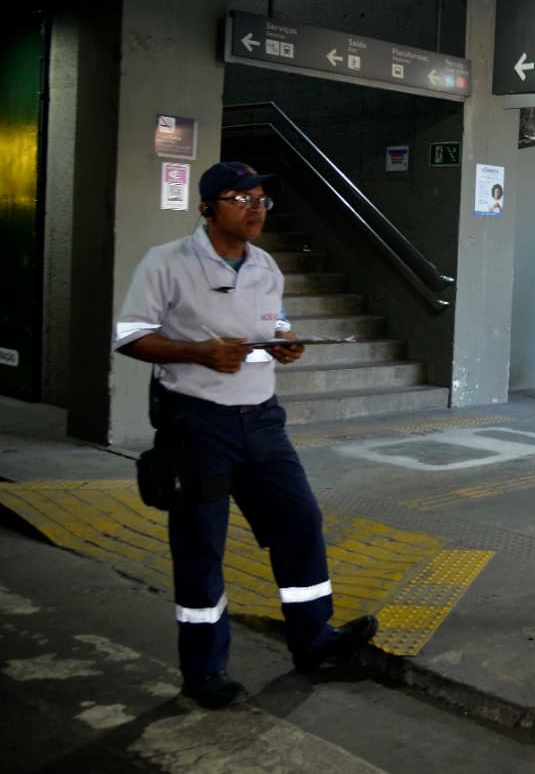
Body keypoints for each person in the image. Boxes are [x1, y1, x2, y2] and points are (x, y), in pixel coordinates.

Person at [112, 162, 379, 708]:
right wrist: (198, 351)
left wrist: (284, 340)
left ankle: (314, 640)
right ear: (208, 207)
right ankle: (204, 669)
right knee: (201, 543)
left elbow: (273, 321)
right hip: (197, 422)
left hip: (262, 419)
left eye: (262, 199)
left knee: (299, 520)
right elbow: (130, 336)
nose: (256, 208)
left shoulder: (266, 267)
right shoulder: (166, 263)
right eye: (241, 198)